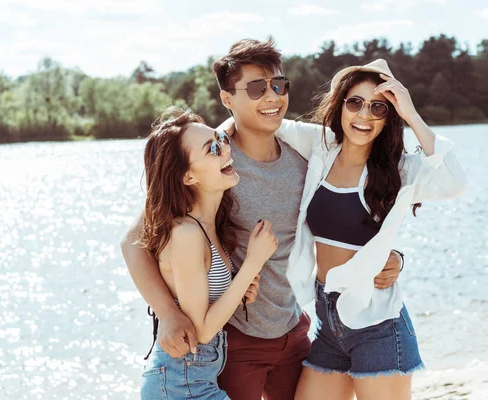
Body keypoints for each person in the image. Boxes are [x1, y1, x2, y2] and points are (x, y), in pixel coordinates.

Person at [121, 39, 403, 400]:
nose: (272, 97)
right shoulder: (212, 162)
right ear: (227, 99)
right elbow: (134, 240)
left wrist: (390, 257)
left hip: (294, 329)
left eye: (278, 86)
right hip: (234, 341)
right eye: (256, 88)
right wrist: (169, 315)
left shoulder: (306, 159)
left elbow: (349, 214)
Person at [274, 59, 468, 400]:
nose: (364, 115)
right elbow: (270, 124)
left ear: (389, 116)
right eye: (355, 103)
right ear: (340, 106)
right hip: (327, 321)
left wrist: (411, 114)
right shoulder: (321, 149)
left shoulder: (398, 170)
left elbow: (453, 182)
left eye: (378, 107)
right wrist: (221, 133)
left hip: (378, 324)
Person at [136, 106, 277, 399]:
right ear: (188, 177)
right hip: (179, 381)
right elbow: (201, 331)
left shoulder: (210, 226)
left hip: (194, 378)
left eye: (222, 139)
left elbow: (202, 307)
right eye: (212, 148)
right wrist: (253, 262)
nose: (225, 149)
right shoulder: (186, 234)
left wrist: (239, 291)